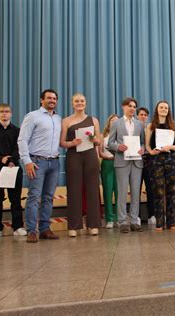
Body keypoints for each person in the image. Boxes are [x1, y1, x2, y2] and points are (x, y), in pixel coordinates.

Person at [17, 89, 61, 243]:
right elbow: (22, 140)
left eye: (54, 98)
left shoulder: (58, 118)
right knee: (34, 197)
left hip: (54, 162)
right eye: (49, 98)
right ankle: (31, 230)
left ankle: (44, 229)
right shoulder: (32, 116)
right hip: (37, 162)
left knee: (48, 197)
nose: (52, 100)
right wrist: (27, 161)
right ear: (42, 100)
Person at [60, 93, 101, 237]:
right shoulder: (66, 121)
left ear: (86, 103)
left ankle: (93, 224)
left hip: (90, 155)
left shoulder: (93, 120)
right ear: (72, 103)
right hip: (73, 156)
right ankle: (74, 226)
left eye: (82, 101)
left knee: (92, 190)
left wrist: (94, 138)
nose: (79, 103)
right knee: (74, 190)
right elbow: (62, 142)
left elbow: (99, 141)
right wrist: (72, 143)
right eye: (76, 101)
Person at [108, 97, 145, 233]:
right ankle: (123, 221)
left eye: (134, 106)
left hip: (136, 161)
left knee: (136, 193)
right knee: (122, 193)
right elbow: (109, 143)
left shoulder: (140, 124)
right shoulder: (116, 123)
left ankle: (134, 221)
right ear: (123, 107)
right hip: (122, 161)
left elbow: (143, 142)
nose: (132, 109)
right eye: (129, 106)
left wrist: (143, 149)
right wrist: (118, 147)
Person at [145, 101, 175, 231]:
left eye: (166, 108)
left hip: (171, 160)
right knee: (158, 192)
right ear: (157, 109)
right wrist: (150, 152)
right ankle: (159, 222)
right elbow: (147, 145)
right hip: (156, 160)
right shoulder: (150, 126)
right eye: (161, 107)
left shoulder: (173, 126)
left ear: (168, 110)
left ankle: (171, 221)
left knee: (172, 191)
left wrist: (169, 146)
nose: (164, 109)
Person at [0, 103, 26, 239]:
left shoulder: (17, 131)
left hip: (14, 167)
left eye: (7, 111)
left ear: (11, 114)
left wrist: (12, 159)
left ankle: (17, 226)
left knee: (15, 198)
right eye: (2, 112)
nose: (4, 114)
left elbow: (20, 147)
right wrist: (1, 158)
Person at [99, 114, 119, 228]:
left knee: (119, 192)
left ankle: (119, 218)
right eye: (112, 120)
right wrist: (107, 157)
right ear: (109, 122)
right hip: (107, 163)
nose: (114, 122)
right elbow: (100, 152)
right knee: (107, 191)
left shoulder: (121, 135)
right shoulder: (103, 135)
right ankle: (109, 219)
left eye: (117, 120)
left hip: (120, 164)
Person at [137, 107, 155, 225]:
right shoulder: (133, 128)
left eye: (145, 115)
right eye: (141, 114)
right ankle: (136, 216)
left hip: (149, 161)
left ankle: (152, 215)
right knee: (136, 189)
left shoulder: (151, 128)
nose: (143, 116)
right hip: (136, 160)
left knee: (150, 189)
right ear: (137, 116)